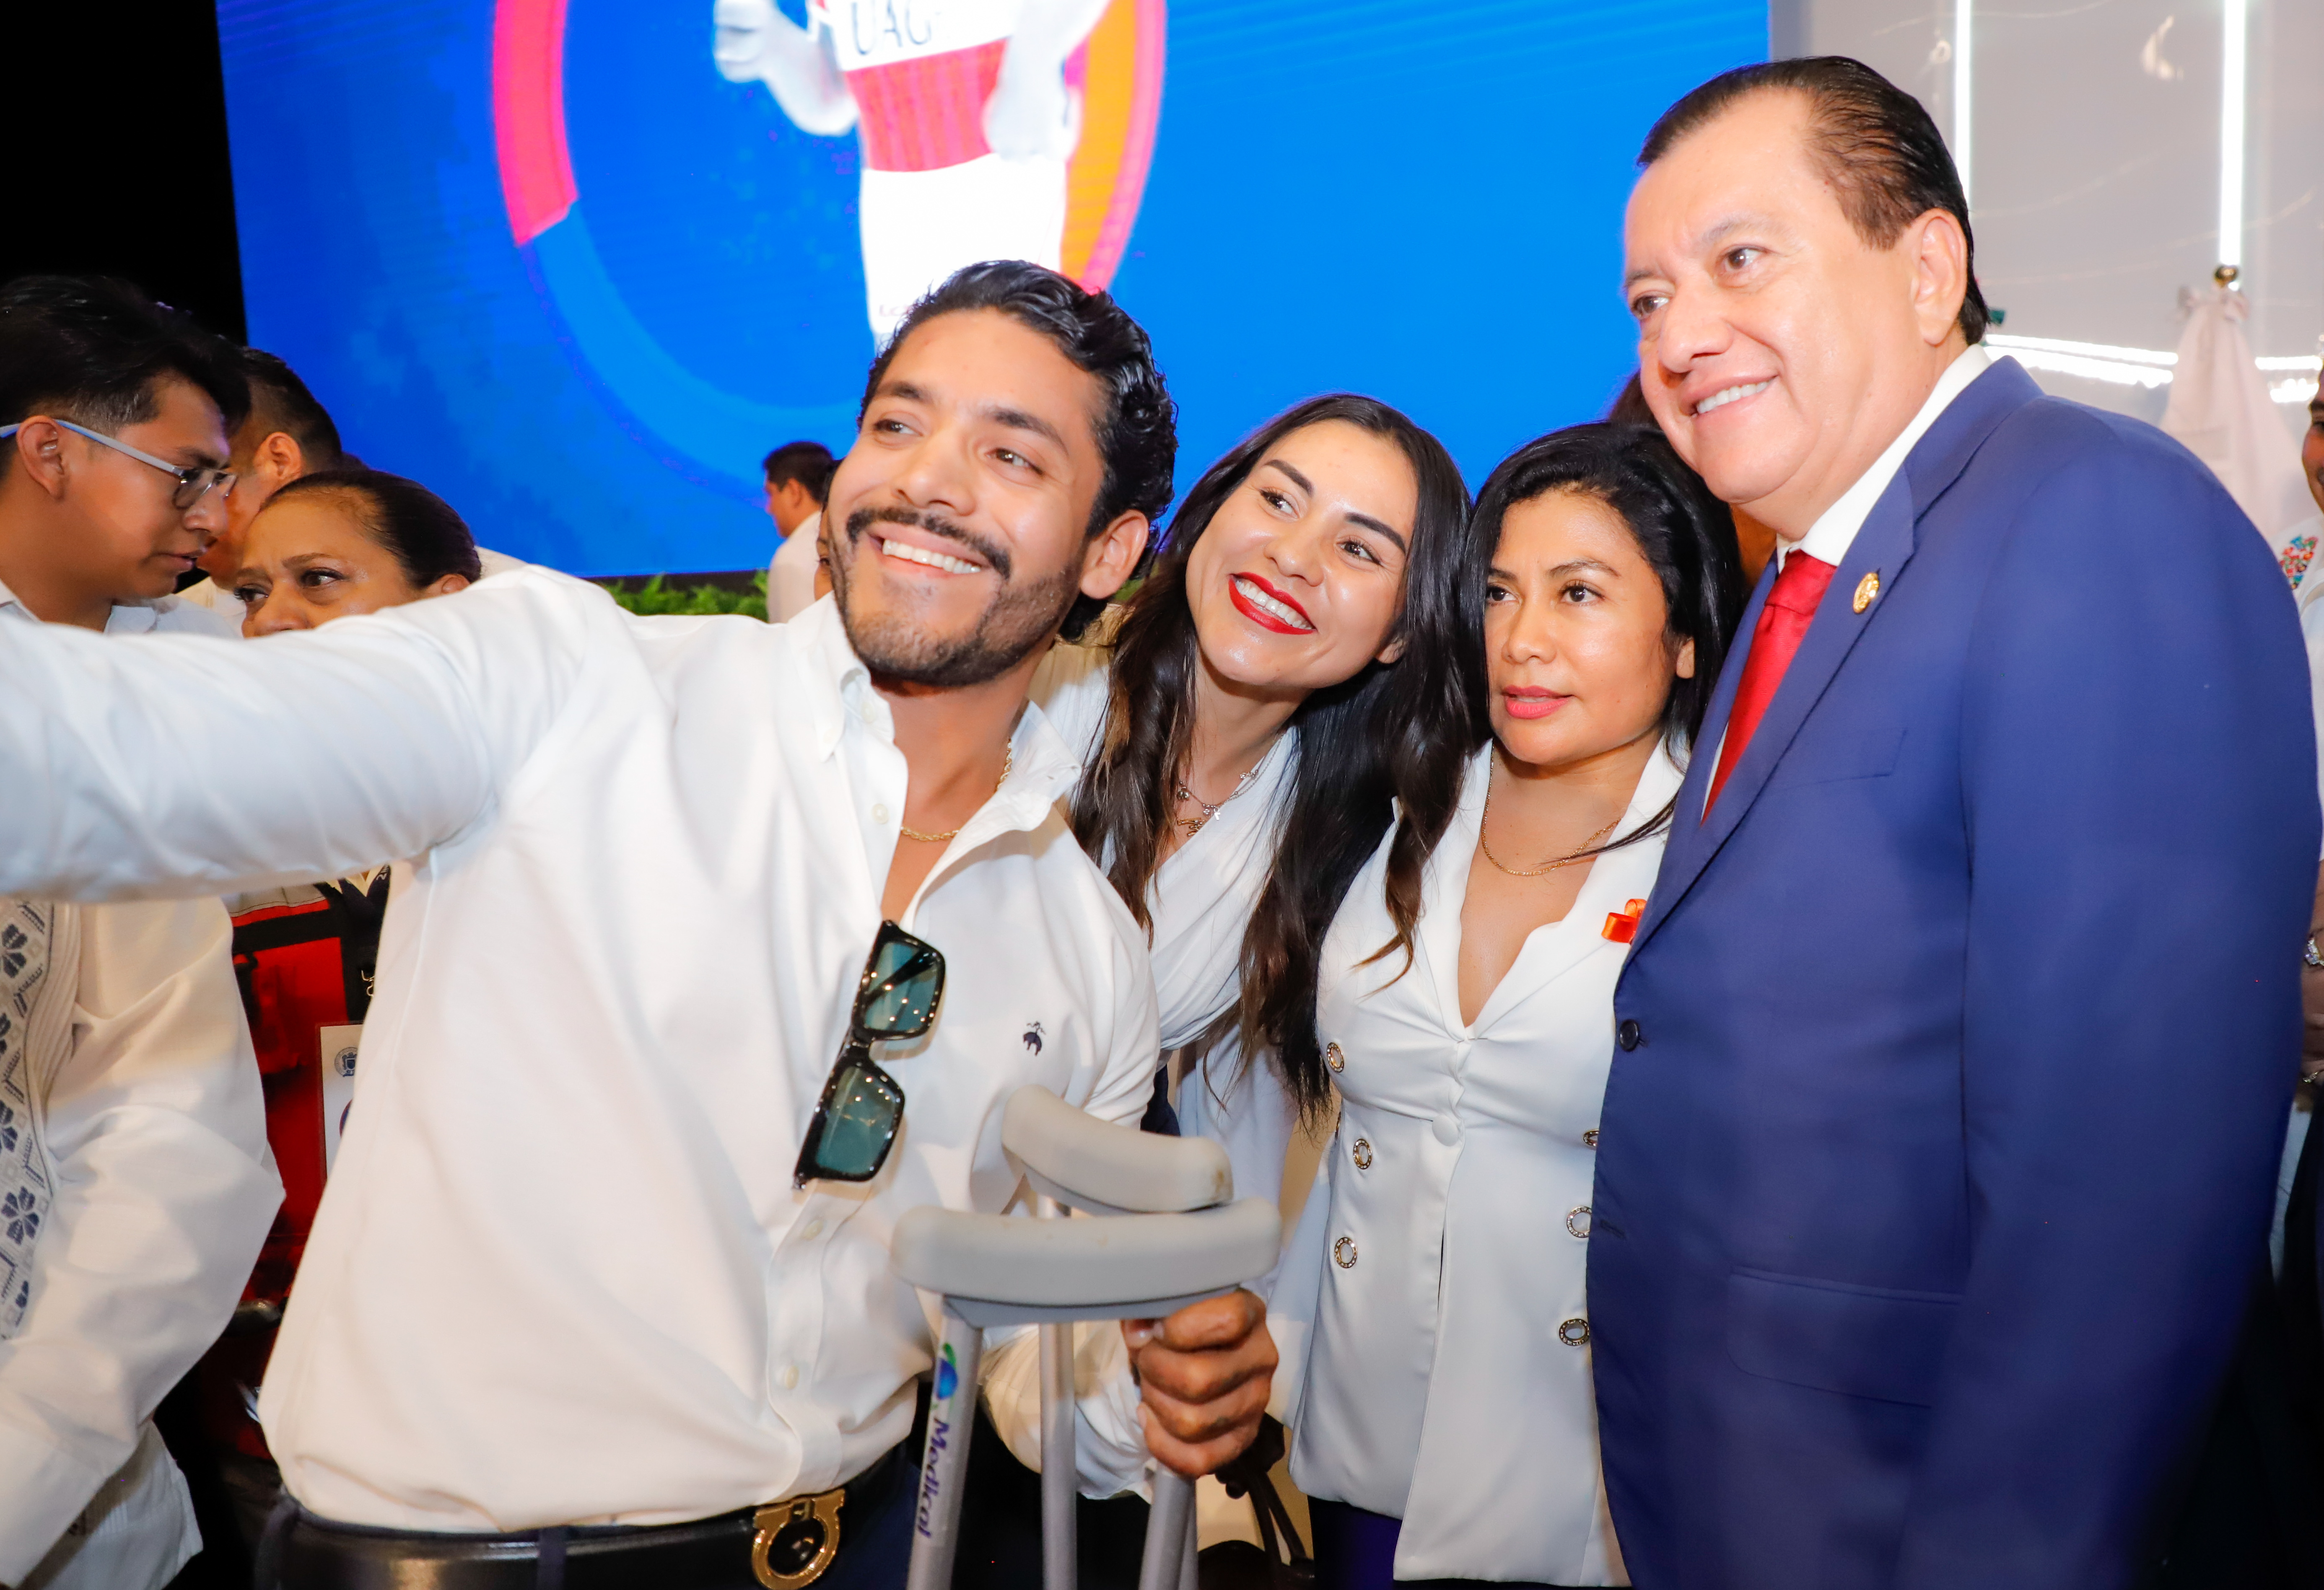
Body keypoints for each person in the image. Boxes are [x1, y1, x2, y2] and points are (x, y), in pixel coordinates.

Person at [0, 260, 1275, 1587]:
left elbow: (1029, 1375)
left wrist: (1152, 1370)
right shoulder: (567, 684)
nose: (927, 481)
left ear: (1111, 552)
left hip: (859, 1549)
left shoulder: (1086, 951)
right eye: (898, 424)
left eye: (1011, 455)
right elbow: (119, 752)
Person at [1597, 57, 2315, 1590]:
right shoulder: (1806, 581)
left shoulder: (2097, 517)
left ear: (1930, 269)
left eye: (1741, 261)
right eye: (1650, 297)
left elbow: (2121, 1204)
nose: (1680, 335)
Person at [975, 395, 1470, 1581]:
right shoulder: (1025, 707)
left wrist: (1183, 1364)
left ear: (1399, 633)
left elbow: (1234, 1156)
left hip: (1030, 1332)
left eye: (1360, 548)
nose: (1294, 556)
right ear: (1206, 518)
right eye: (1278, 499)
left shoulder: (1337, 861)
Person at [1271, 424, 1743, 1590]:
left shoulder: (1726, 864)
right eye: (1498, 592)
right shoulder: (1404, 797)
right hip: (1360, 1434)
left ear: (1685, 637)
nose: (1523, 640)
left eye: (1579, 593)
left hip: (1587, 1480)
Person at [0, 274, 283, 1590]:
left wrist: (30, 1457)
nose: (213, 521)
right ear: (48, 450)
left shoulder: (161, 698)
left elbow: (172, 1135)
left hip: (65, 1481)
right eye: (185, 477)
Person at [190, 470, 484, 1551]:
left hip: (507, 1379)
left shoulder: (540, 832)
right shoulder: (195, 847)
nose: (271, 619)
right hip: (273, 1388)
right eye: (252, 592)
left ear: (447, 605)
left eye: (318, 580)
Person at [713, 0, 1113, 336]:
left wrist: (1034, 62)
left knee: (1015, 355)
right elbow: (833, 97)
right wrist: (773, 47)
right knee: (905, 373)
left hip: (998, 176)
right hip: (896, 214)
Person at [177, 346, 519, 616]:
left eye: (318, 579)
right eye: (252, 595)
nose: (192, 515)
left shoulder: (514, 611)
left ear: (280, 462)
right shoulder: (179, 627)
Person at [765, 438, 837, 622]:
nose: (769, 508)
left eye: (771, 494)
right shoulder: (854, 539)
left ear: (793, 491)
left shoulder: (792, 558)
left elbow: (798, 635)